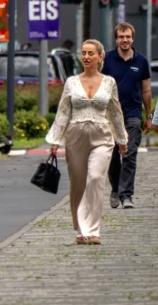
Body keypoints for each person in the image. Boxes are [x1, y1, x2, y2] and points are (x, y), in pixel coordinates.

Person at [46, 40, 127, 245]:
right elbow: (63, 111)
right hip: (76, 136)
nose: (86, 57)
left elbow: (115, 112)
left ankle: (93, 229)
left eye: (91, 53)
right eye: (83, 53)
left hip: (102, 135)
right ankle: (81, 230)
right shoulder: (71, 82)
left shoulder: (109, 82)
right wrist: (55, 139)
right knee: (78, 183)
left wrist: (122, 138)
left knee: (96, 178)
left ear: (100, 57)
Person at [103, 23, 151, 209]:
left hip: (133, 112)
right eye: (121, 37)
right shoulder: (106, 60)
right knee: (113, 154)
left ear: (133, 38)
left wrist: (148, 116)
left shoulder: (141, 61)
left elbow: (146, 89)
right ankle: (115, 188)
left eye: (128, 37)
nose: (125, 40)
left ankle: (126, 195)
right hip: (110, 115)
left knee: (130, 153)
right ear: (116, 39)